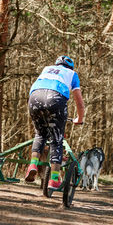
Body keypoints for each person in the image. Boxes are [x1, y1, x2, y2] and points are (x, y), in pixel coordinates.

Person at [25, 55, 85, 189]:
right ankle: (54, 179)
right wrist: (79, 119)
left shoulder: (46, 69)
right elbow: (79, 103)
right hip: (55, 99)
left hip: (34, 98)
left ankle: (33, 164)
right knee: (56, 140)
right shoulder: (72, 74)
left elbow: (36, 89)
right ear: (70, 67)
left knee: (40, 134)